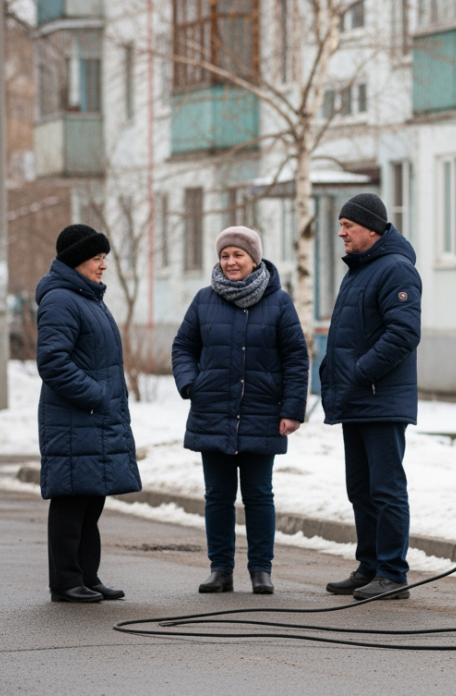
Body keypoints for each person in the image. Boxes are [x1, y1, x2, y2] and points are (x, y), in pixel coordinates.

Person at [172, 226, 309, 595]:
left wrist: (293, 409)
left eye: (238, 255)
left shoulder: (278, 302)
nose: (231, 262)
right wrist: (191, 384)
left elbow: (296, 358)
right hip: (213, 411)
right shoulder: (203, 300)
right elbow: (183, 346)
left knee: (259, 494)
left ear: (255, 259)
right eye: (225, 256)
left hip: (262, 414)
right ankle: (221, 570)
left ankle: (261, 570)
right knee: (217, 495)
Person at [319, 193, 422, 601]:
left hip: (380, 398)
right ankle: (370, 565)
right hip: (358, 398)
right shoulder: (360, 270)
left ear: (373, 229)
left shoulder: (395, 269)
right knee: (360, 489)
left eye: (348, 226)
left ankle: (393, 574)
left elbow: (403, 334)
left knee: (386, 488)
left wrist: (360, 373)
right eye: (341, 225)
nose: (341, 232)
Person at [36, 224, 142, 603]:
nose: (103, 266)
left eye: (103, 259)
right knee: (72, 499)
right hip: (74, 417)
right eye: (98, 258)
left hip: (93, 417)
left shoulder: (87, 298)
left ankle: (87, 575)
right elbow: (53, 362)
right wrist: (96, 395)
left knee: (91, 497)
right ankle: (65, 581)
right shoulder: (62, 300)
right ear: (77, 260)